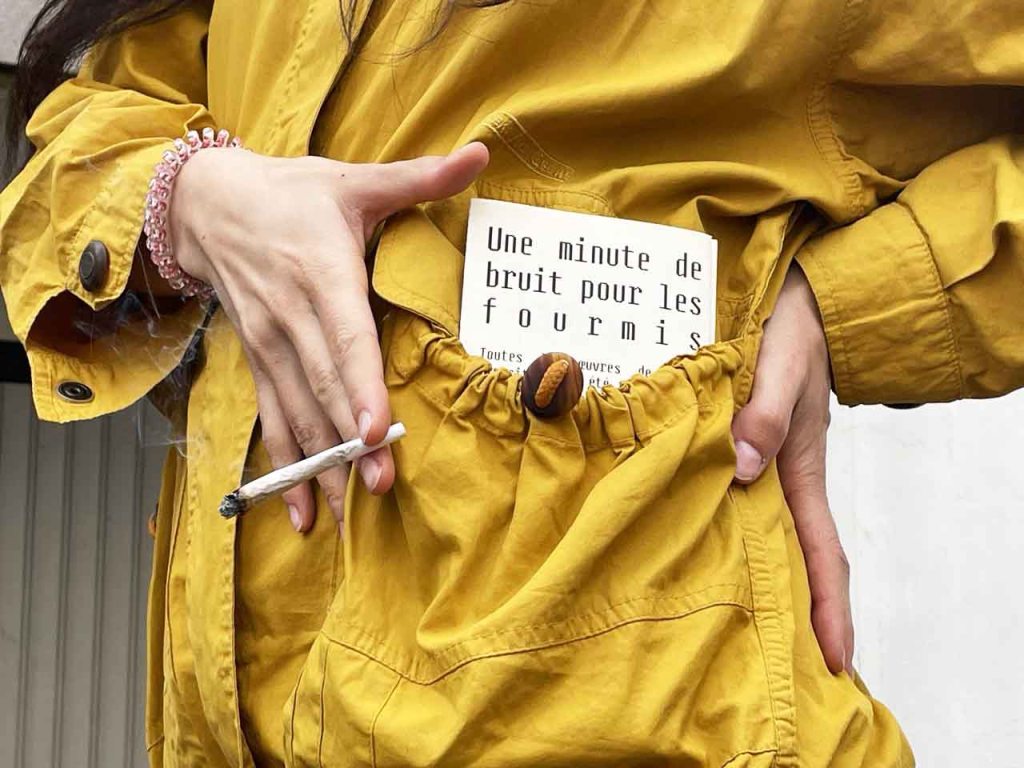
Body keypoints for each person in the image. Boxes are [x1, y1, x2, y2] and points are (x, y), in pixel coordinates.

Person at [2, 0, 1022, 765]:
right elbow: (93, 118)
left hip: (647, 720)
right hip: (231, 718)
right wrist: (193, 197)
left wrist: (849, 305)